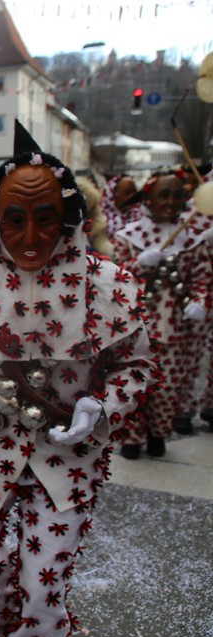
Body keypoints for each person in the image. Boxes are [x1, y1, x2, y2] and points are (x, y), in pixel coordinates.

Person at [0, 122, 155, 637]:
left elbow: (137, 365)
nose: (29, 236)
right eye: (14, 218)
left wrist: (99, 405)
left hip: (65, 459)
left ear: (69, 216)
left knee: (43, 577)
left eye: (45, 217)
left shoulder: (107, 286)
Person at [111, 170, 210, 453]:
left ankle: (158, 434)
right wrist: (139, 263)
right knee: (133, 384)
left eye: (178, 195)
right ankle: (131, 438)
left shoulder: (194, 239)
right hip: (136, 328)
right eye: (163, 195)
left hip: (176, 328)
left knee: (168, 387)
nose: (170, 202)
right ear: (149, 199)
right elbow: (116, 278)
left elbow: (202, 278)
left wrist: (200, 302)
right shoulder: (128, 237)